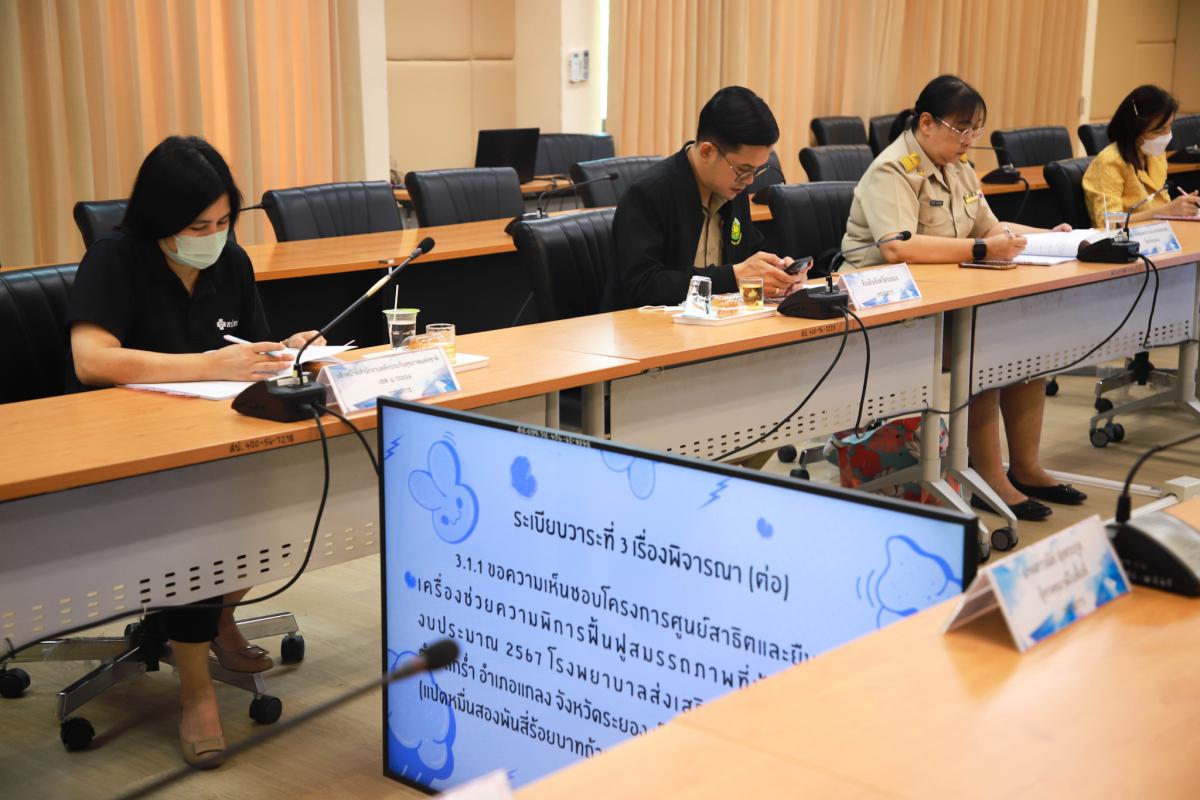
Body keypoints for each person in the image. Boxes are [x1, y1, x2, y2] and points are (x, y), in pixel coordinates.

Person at [68, 135, 323, 768]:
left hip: (212, 436)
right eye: (197, 226)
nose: (213, 237)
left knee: (283, 496)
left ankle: (219, 620)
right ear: (159, 220)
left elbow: (247, 348)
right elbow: (91, 360)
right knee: (201, 524)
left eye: (223, 221)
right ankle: (196, 690)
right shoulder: (114, 259)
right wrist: (206, 364)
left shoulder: (229, 261)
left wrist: (286, 351)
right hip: (125, 449)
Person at [842, 74, 1086, 521]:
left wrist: (1047, 236)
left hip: (945, 300)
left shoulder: (958, 167)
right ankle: (988, 476)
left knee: (1026, 343)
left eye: (976, 130)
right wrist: (980, 250)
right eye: (962, 129)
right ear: (927, 123)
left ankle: (1025, 468)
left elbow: (990, 228)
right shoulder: (892, 170)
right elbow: (897, 247)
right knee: (989, 347)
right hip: (887, 310)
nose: (970, 140)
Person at [605, 85, 807, 310]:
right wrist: (732, 277)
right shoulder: (648, 194)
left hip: (719, 322)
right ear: (707, 151)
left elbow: (750, 254)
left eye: (756, 170)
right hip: (650, 327)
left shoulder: (733, 189)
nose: (750, 181)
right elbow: (642, 286)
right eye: (743, 169)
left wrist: (777, 271)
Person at [1082, 85, 1200, 227]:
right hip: (1125, 239)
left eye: (1170, 126)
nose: (1167, 135)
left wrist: (1183, 208)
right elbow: (1108, 223)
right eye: (1159, 131)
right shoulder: (1109, 162)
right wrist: (1165, 211)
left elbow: (1161, 203)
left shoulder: (1155, 155)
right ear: (1134, 130)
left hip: (1159, 233)